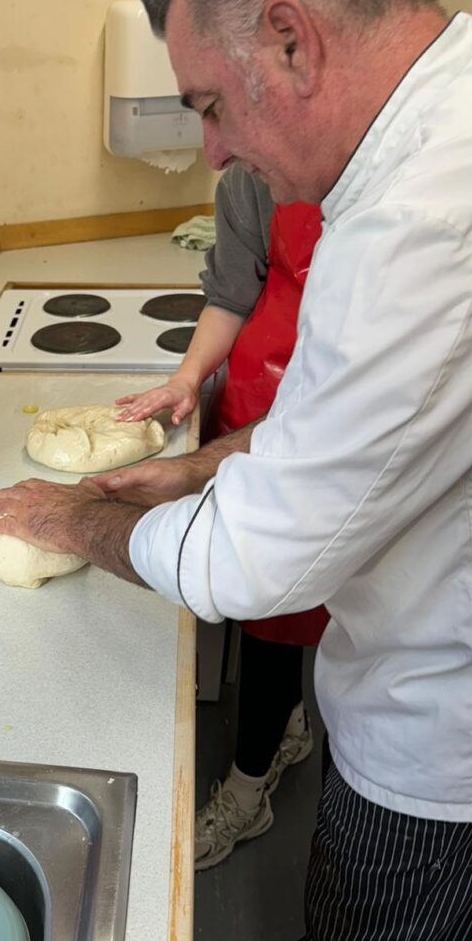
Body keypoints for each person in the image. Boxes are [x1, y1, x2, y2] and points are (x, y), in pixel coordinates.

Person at [0, 0, 472, 941]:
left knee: (381, 925)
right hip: (423, 639)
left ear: (289, 40)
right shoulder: (448, 137)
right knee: (357, 897)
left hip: (458, 725)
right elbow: (341, 422)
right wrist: (205, 464)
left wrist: (76, 515)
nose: (212, 149)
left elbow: (251, 568)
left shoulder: (430, 223)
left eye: (211, 105)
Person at [116, 162, 327, 871]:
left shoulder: (387, 168)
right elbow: (231, 295)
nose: (213, 148)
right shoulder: (248, 178)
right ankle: (286, 725)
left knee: (278, 610)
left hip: (327, 408)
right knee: (255, 603)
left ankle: (247, 791)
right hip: (252, 401)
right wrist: (185, 379)